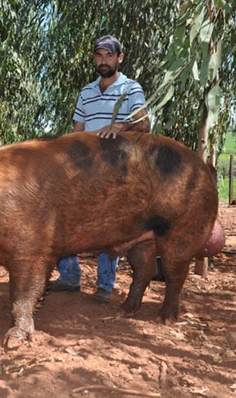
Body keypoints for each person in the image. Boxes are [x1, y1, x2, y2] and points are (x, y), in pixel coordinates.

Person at [47, 35, 150, 304]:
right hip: (84, 168)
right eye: (99, 56)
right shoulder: (86, 92)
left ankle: (105, 284)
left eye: (108, 56)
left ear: (120, 58)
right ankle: (69, 275)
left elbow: (145, 124)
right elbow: (77, 132)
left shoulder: (131, 89)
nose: (103, 61)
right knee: (64, 215)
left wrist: (121, 127)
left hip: (115, 171)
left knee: (108, 225)